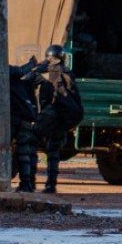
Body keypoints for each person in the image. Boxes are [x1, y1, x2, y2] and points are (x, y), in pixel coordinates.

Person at [27, 45, 83, 194]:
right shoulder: (67, 72)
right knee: (53, 149)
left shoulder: (48, 71)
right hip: (63, 114)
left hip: (51, 111)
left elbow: (28, 78)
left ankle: (29, 183)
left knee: (30, 141)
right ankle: (51, 185)